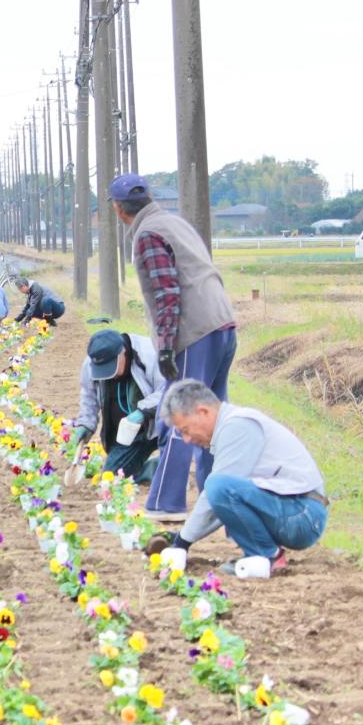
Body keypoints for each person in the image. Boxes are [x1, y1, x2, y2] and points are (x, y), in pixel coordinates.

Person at [108, 173, 239, 521]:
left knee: (182, 415)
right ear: (150, 197)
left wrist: (166, 346)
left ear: (118, 209)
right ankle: (216, 500)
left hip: (195, 332)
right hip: (222, 325)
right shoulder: (173, 222)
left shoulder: (149, 234)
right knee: (212, 418)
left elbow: (167, 294)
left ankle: (166, 502)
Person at [146, 381, 328, 579]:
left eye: (185, 430)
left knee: (217, 486)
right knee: (220, 488)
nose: (187, 440)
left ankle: (267, 556)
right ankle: (262, 554)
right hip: (296, 510)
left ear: (202, 412)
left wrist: (182, 542)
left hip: (302, 514)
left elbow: (217, 493)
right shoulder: (232, 425)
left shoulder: (238, 426)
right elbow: (224, 502)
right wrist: (183, 538)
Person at [74, 329, 167, 483]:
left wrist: (143, 412)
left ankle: (171, 461)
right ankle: (153, 469)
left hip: (159, 422)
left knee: (177, 418)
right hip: (129, 434)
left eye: (111, 367)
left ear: (122, 352)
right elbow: (89, 396)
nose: (109, 375)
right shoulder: (93, 363)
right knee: (112, 475)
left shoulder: (149, 353)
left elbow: (168, 390)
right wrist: (86, 423)